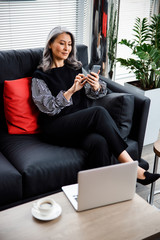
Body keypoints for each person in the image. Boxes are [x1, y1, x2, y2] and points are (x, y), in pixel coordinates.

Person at [31, 26, 159, 186]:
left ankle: (97, 192)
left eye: (69, 44)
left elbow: (95, 94)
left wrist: (96, 86)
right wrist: (71, 91)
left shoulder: (75, 67)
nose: (66, 48)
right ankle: (133, 167)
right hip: (55, 126)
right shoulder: (40, 75)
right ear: (50, 44)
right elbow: (49, 108)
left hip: (78, 125)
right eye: (62, 43)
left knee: (100, 142)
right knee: (97, 112)